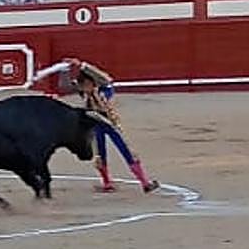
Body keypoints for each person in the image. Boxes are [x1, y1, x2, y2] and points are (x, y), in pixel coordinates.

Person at [32, 58, 159, 193]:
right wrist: (65, 70)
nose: (84, 89)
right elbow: (65, 87)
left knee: (126, 151)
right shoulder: (85, 91)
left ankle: (145, 183)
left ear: (91, 83)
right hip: (96, 125)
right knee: (99, 154)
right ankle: (107, 183)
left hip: (110, 124)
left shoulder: (105, 88)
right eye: (82, 87)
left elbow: (104, 77)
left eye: (85, 86)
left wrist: (82, 65)